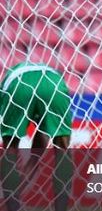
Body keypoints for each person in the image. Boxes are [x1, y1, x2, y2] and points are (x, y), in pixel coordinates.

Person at [0, 62, 73, 211]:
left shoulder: (7, 80)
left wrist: (34, 160)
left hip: (18, 84)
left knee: (11, 147)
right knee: (63, 147)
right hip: (54, 82)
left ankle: (13, 207)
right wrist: (34, 160)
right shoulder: (50, 73)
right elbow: (43, 130)